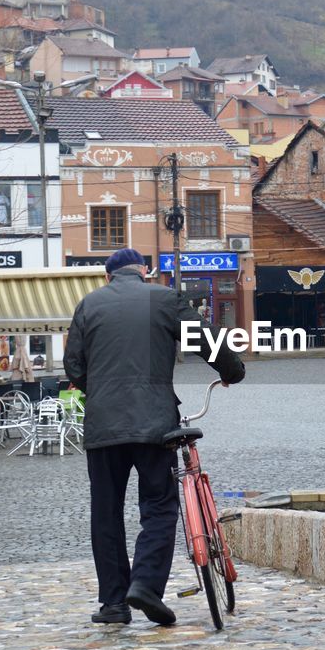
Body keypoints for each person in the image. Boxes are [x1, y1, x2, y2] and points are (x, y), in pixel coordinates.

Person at [64, 248, 245, 627]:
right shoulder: (164, 299)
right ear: (144, 271)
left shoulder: (88, 305)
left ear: (108, 276)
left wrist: (98, 389)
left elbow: (74, 367)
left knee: (106, 513)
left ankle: (114, 604)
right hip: (154, 425)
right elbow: (206, 341)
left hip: (104, 428)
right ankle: (145, 584)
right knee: (160, 506)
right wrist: (232, 370)